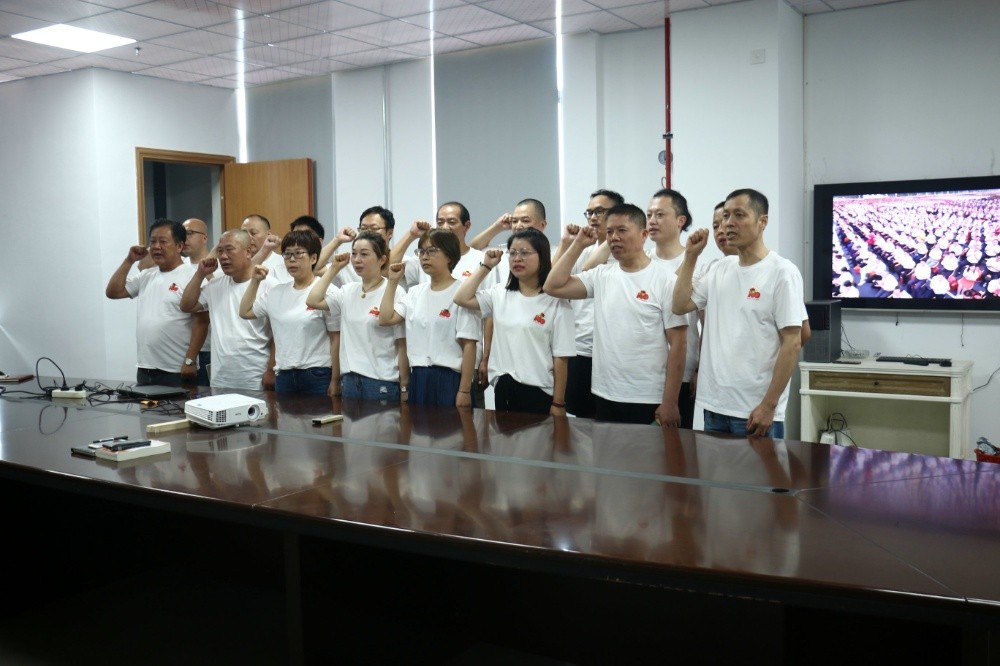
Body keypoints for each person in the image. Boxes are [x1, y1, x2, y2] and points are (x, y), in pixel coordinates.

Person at [672, 188, 805, 438]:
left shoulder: (782, 272)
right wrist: (690, 256)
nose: (728, 223)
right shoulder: (720, 269)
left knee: (759, 467)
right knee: (713, 466)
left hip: (755, 410)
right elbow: (679, 305)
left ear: (762, 222)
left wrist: (769, 405)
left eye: (739, 215)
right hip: (715, 405)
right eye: (725, 216)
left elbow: (793, 342)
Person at [545, 203, 688, 426]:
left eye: (622, 230)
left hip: (647, 396)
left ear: (643, 235)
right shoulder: (602, 275)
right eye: (610, 231)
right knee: (605, 449)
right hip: (604, 393)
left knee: (648, 451)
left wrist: (670, 401)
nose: (614, 238)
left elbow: (678, 343)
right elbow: (552, 286)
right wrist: (578, 245)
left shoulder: (665, 280)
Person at [454, 228, 574, 416]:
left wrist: (558, 403)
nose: (517, 259)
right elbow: (461, 298)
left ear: (543, 257)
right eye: (512, 253)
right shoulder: (499, 293)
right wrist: (486, 266)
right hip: (504, 387)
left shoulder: (556, 301)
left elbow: (561, 357)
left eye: (525, 253)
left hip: (539, 391)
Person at [378, 229, 479, 407]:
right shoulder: (415, 293)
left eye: (432, 251)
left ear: (449, 256)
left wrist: (464, 390)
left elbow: (469, 346)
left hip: (449, 377)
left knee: (452, 425)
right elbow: (385, 319)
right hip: (418, 376)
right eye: (421, 252)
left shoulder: (462, 293)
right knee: (418, 425)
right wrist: (392, 282)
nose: (424, 257)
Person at [306, 232, 408, 402]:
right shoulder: (348, 290)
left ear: (382, 259)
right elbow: (312, 300)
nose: (357, 260)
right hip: (350, 380)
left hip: (381, 381)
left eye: (364, 254)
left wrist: (404, 385)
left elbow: (401, 343)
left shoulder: (395, 291)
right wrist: (334, 269)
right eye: (354, 254)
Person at [105, 218, 208, 387]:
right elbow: (113, 292)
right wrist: (129, 260)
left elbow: (201, 322)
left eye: (163, 241)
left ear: (179, 246)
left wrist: (190, 360)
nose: (156, 247)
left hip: (176, 369)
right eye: (153, 241)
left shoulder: (193, 276)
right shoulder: (147, 275)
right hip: (145, 368)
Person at [554, 188, 624, 418]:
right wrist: (567, 243)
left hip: (614, 353)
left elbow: (588, 270)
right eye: (589, 212)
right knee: (580, 425)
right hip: (581, 349)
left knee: (612, 424)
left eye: (600, 212)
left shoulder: (626, 254)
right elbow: (550, 283)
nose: (593, 218)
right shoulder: (583, 248)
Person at [239, 230, 335, 395]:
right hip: (284, 374)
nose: (291, 259)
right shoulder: (276, 291)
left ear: (313, 258)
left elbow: (336, 338)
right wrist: (255, 281)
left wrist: (336, 379)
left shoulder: (327, 290)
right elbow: (245, 311)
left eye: (298, 253)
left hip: (317, 373)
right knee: (284, 413)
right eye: (287, 254)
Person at [179, 229, 275, 390]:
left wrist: (271, 370)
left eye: (229, 250)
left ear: (248, 252)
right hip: (221, 379)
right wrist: (200, 274)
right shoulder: (216, 285)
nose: (223, 256)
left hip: (256, 377)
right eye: (220, 251)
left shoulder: (269, 285)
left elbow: (278, 335)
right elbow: (186, 306)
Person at [242, 213, 291, 284]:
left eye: (253, 233)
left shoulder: (283, 262)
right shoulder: (237, 263)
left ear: (268, 234)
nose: (248, 237)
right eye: (244, 233)